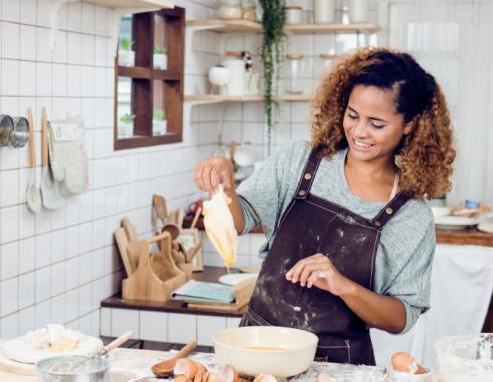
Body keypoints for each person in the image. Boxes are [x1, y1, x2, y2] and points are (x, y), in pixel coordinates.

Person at [192, 47, 455, 365]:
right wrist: (225, 186)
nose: (359, 132)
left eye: (376, 123)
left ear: (410, 124)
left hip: (340, 366)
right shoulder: (299, 161)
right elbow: (238, 221)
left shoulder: (411, 216)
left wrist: (345, 287)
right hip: (259, 346)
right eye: (353, 115)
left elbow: (401, 318)